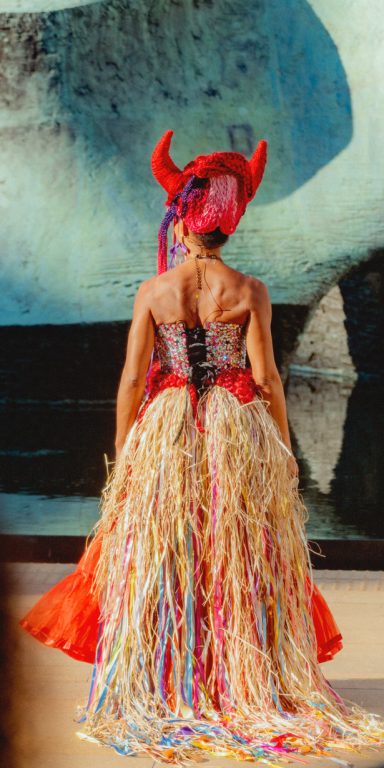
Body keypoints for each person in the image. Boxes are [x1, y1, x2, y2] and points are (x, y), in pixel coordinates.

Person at [19, 129, 384, 765]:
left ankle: (168, 677)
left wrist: (124, 449)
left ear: (181, 218)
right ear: (230, 223)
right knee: (235, 546)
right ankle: (238, 674)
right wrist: (284, 448)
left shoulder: (154, 291)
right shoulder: (250, 291)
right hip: (234, 425)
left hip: (165, 426)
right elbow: (267, 377)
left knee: (170, 547)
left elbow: (133, 377)